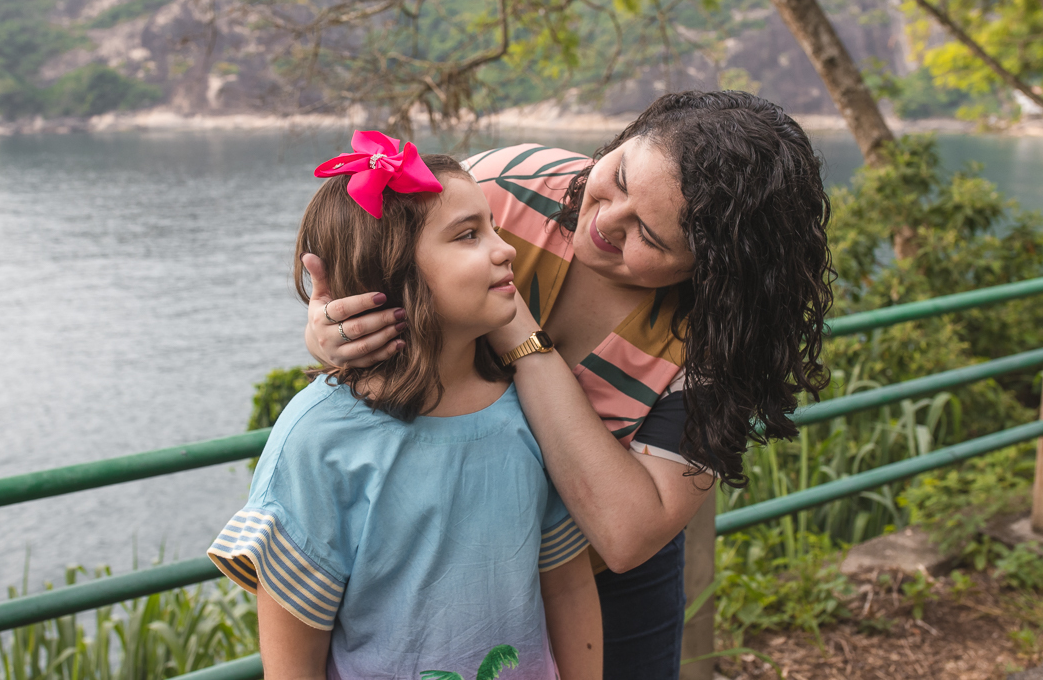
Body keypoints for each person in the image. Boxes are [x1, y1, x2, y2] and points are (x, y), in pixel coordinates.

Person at [303, 92, 834, 679]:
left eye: (650, 238)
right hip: (444, 563)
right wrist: (335, 334)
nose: (605, 223)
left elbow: (627, 534)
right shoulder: (501, 188)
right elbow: (371, 287)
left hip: (606, 586)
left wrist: (521, 339)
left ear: (710, 268)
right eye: (621, 179)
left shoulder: (719, 341)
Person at [209, 131, 602, 680]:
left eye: (492, 224)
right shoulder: (317, 439)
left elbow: (569, 583)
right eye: (468, 235)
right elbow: (294, 652)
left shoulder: (532, 408)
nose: (505, 247)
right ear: (393, 272)